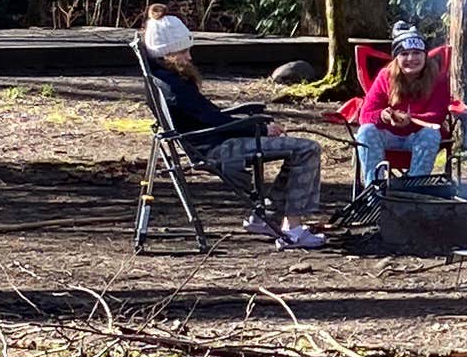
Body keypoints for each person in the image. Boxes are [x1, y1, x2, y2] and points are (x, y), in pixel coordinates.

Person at [141, 13, 329, 248]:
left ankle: (266, 217)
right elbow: (213, 120)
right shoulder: (174, 87)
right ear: (167, 54)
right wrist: (258, 127)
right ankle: (293, 229)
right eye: (183, 52)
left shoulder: (164, 79)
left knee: (297, 150)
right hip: (217, 147)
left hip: (209, 141)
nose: (189, 57)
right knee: (307, 149)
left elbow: (210, 116)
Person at [350, 20, 465, 188]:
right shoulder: (385, 76)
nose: (411, 59)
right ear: (396, 58)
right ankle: (374, 188)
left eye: (417, 53)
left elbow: (437, 115)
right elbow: (365, 115)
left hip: (418, 136)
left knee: (431, 134)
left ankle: (414, 188)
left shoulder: (438, 79)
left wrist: (410, 119)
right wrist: (383, 116)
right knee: (366, 131)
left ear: (425, 55)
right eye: (404, 54)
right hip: (388, 135)